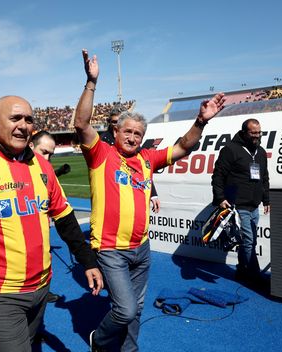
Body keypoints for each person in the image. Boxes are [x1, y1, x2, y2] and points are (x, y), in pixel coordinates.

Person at [75, 49, 226, 352]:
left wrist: (201, 121)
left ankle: (129, 350)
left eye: (138, 134)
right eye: (127, 131)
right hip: (111, 250)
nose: (132, 137)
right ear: (115, 132)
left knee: (138, 308)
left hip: (141, 248)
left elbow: (184, 146)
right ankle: (100, 341)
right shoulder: (101, 154)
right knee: (125, 309)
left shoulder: (147, 158)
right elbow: (81, 124)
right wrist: (91, 83)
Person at [0, 96, 103, 352]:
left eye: (29, 119)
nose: (23, 125)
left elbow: (66, 220)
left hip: (41, 287)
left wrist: (88, 261)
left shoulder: (43, 167)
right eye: (15, 118)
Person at [211, 118, 270, 286]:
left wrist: (266, 199)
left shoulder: (261, 152)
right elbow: (218, 175)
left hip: (254, 205)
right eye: (253, 133)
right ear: (244, 132)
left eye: (259, 132)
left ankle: (242, 271)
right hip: (238, 205)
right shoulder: (230, 150)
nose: (257, 136)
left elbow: (265, 177)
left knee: (249, 241)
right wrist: (220, 198)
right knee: (248, 240)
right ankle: (255, 276)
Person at [29, 130, 70, 303]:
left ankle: (43, 292)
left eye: (50, 154)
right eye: (43, 152)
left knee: (43, 258)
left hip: (41, 225)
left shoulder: (45, 168)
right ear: (31, 146)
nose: (46, 158)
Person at [100, 106, 161, 213]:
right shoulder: (103, 142)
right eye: (114, 122)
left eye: (120, 121)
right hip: (108, 191)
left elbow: (145, 168)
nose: (116, 124)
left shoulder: (133, 143)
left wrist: (153, 193)